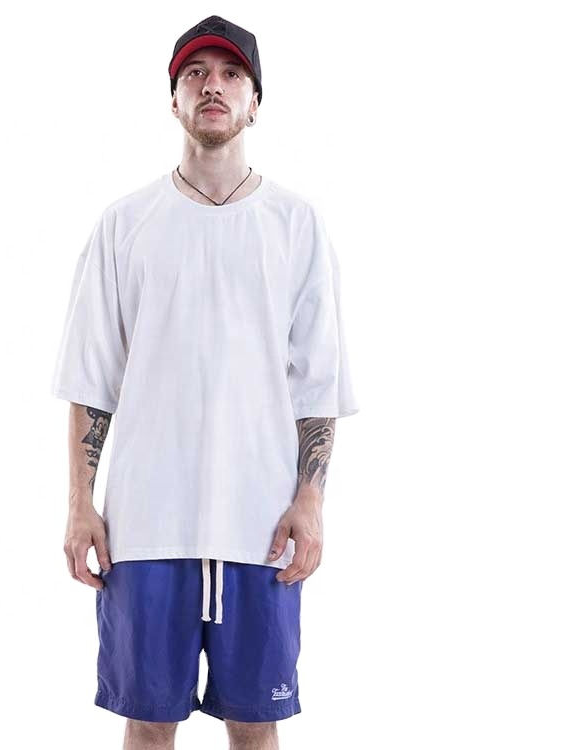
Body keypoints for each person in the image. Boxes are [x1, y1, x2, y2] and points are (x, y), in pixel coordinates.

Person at [51, 15, 359, 750]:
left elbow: (317, 385)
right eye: (195, 73)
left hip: (260, 528)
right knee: (149, 723)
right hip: (145, 526)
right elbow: (92, 379)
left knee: (255, 724)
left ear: (254, 103)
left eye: (230, 74)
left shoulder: (295, 224)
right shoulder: (125, 224)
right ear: (174, 101)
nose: (212, 86)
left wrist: (310, 501)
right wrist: (79, 505)